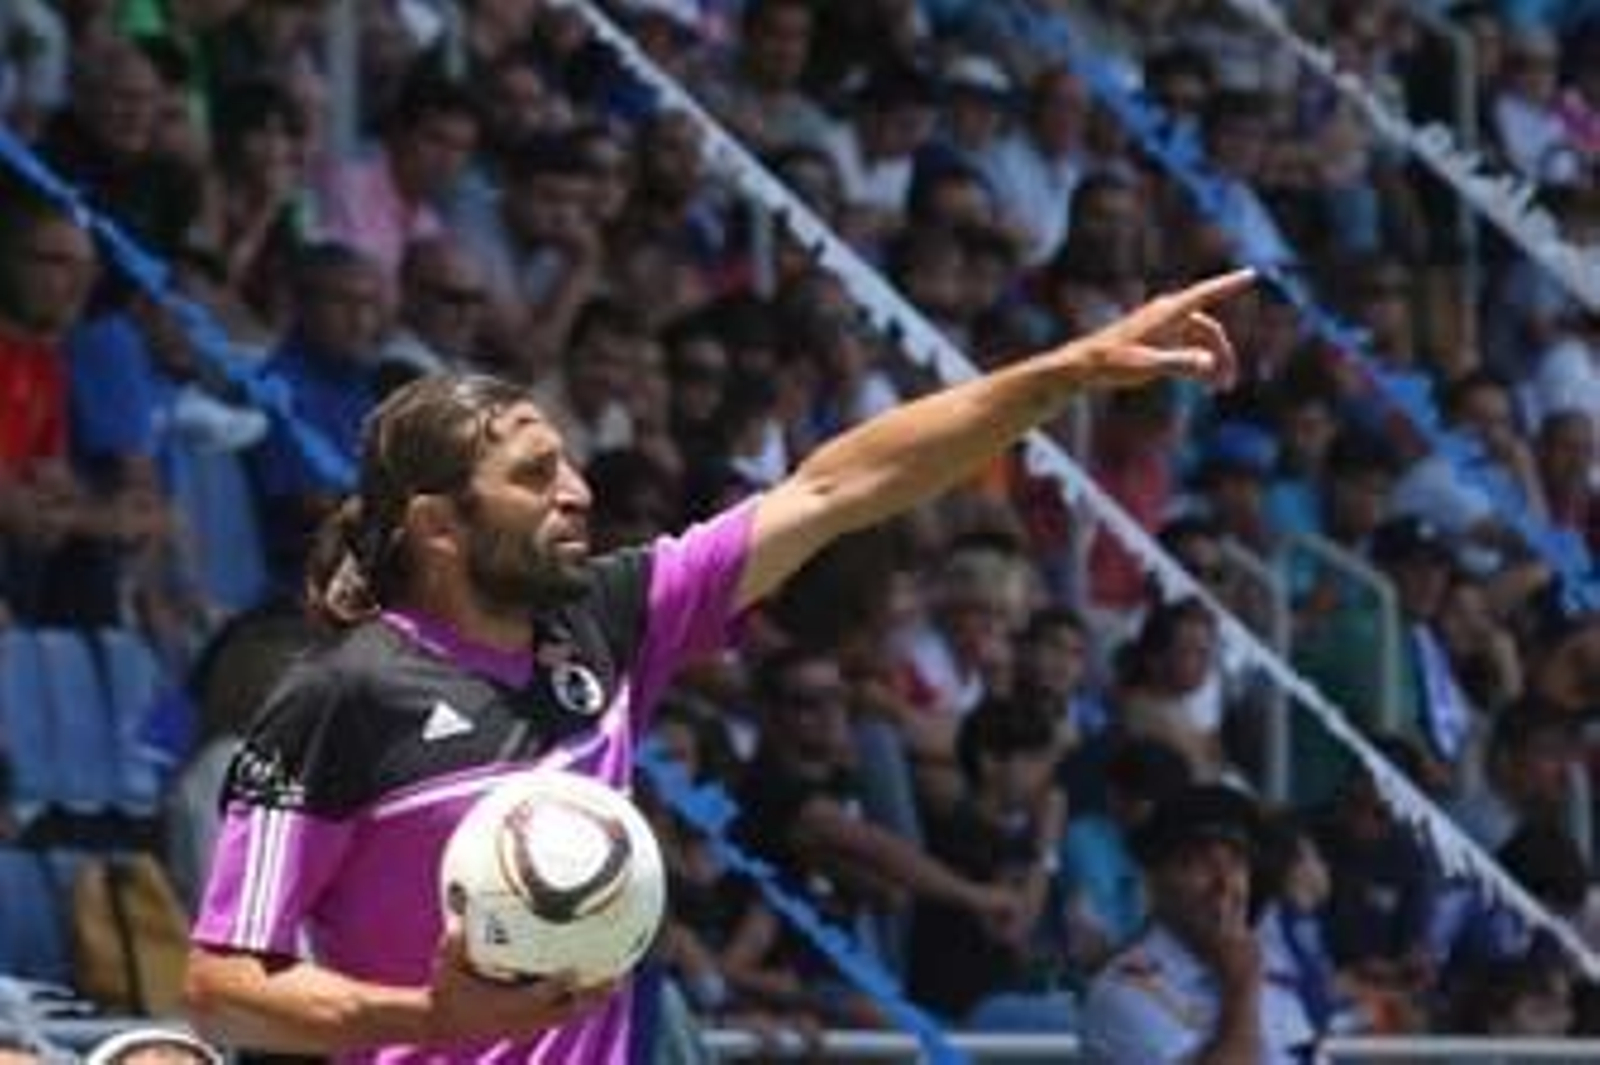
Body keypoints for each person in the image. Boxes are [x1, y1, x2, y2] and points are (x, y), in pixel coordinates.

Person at [183, 270, 1252, 1062]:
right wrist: (428, 1019)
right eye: (535, 475)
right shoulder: (341, 698)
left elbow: (837, 487)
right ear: (438, 525)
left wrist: (1069, 372)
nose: (578, 493)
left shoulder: (605, 622)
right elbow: (223, 983)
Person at [1081, 784, 1317, 1064]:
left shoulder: (1264, 972)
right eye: (1200, 863)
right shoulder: (1122, 991)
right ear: (1155, 882)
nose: (1224, 883)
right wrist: (1241, 991)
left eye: (1236, 863)